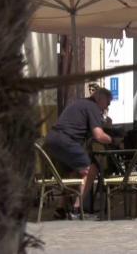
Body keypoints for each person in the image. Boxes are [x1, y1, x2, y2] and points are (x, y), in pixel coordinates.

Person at [44, 87, 115, 218]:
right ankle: (77, 210)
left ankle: (60, 209)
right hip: (66, 140)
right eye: (108, 102)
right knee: (90, 169)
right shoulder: (93, 107)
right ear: (100, 99)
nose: (108, 106)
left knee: (73, 173)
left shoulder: (79, 103)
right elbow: (99, 135)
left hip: (52, 140)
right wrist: (112, 139)